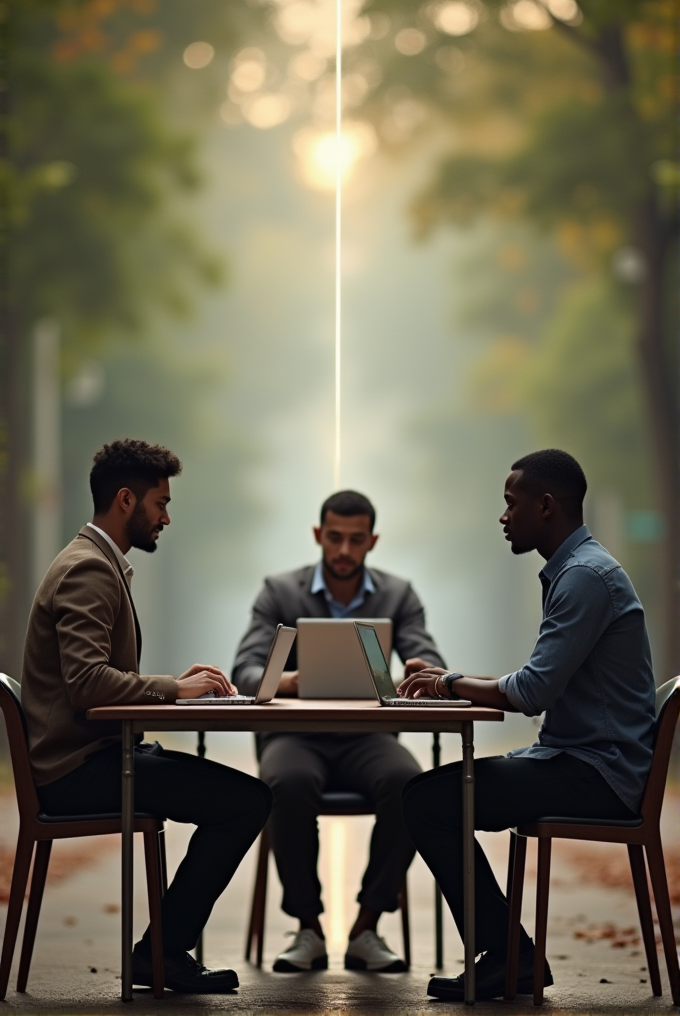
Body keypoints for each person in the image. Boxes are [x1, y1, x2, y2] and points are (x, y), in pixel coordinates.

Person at [398, 449, 656, 1002]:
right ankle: (508, 955)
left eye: (511, 504)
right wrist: (452, 678)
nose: (503, 516)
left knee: (426, 802)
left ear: (545, 505)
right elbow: (535, 680)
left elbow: (531, 693)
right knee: (431, 796)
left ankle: (509, 958)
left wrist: (449, 684)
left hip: (598, 774)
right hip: (583, 761)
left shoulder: (585, 577)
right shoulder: (578, 569)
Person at [22, 439, 272, 994]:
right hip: (74, 774)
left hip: (96, 757)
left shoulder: (99, 562)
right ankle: (161, 953)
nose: (166, 517)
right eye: (161, 503)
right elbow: (87, 686)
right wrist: (174, 690)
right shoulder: (88, 570)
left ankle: (162, 951)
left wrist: (174, 687)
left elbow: (91, 678)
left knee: (237, 797)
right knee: (246, 801)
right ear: (126, 500)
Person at [232, 490, 446, 973]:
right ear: (317, 536)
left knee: (411, 786)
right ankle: (307, 927)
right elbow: (244, 668)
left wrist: (421, 671)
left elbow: (428, 660)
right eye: (334, 538)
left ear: (372, 540)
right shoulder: (279, 591)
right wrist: (287, 680)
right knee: (286, 784)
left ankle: (365, 927)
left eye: (355, 540)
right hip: (293, 735)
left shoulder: (399, 595)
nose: (344, 551)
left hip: (368, 736)